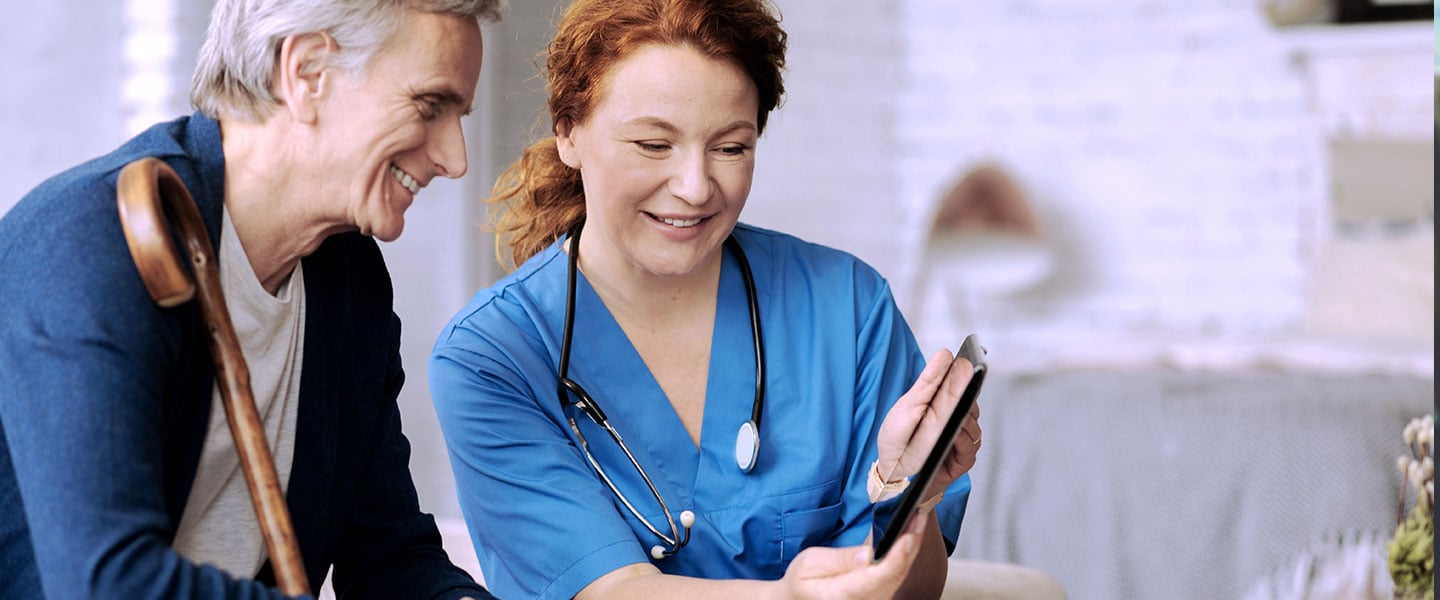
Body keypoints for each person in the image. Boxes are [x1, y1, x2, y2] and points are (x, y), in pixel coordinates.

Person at [428, 0, 983, 598]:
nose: (694, 189)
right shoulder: (493, 356)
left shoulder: (846, 309)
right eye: (652, 144)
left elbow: (908, 589)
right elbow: (610, 591)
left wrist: (911, 494)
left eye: (730, 148)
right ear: (568, 133)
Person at [0, 0, 505, 598]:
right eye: (430, 107)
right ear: (307, 72)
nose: (455, 158)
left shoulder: (348, 280)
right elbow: (108, 584)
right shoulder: (90, 243)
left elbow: (390, 555)